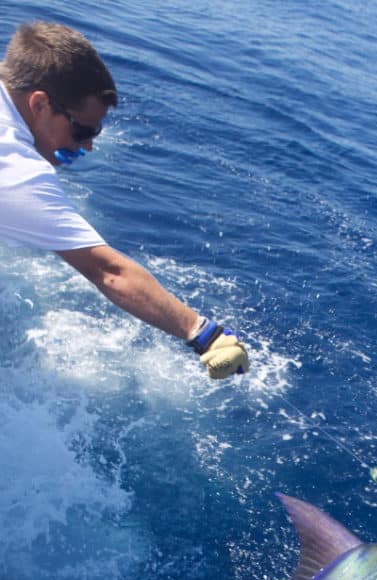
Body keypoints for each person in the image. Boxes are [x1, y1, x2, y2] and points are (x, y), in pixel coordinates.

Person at [0, 21, 248, 379]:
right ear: (39, 104)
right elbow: (110, 272)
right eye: (82, 130)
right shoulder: (16, 170)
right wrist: (205, 335)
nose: (87, 145)